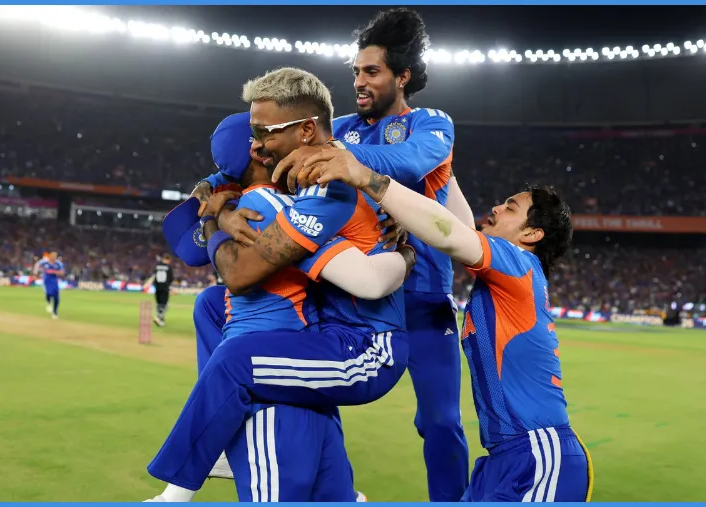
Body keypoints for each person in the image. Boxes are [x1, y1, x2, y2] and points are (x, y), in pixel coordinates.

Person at [298, 149, 594, 502]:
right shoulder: (511, 274)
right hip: (504, 458)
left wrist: (365, 177)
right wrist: (441, 168)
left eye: (510, 207)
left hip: (537, 455)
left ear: (531, 234)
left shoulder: (518, 263)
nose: (497, 208)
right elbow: (454, 227)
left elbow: (450, 233)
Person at [147, 109, 412, 501]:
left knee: (233, 357)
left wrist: (217, 217)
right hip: (332, 333)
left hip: (366, 346)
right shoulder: (273, 202)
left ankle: (181, 484)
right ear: (260, 151)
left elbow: (369, 281)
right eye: (267, 136)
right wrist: (220, 211)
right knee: (210, 305)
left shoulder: (287, 194)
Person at [269, 8, 473, 501]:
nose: (359, 81)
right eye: (356, 71)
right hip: (352, 293)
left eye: (372, 71)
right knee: (305, 391)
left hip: (422, 298)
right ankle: (335, 491)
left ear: (402, 76)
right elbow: (266, 147)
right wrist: (217, 182)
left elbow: (411, 161)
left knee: (441, 421)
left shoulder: (431, 124)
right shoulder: (337, 129)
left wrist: (343, 159)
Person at [144, 254, 174, 327]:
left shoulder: (157, 266)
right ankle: (159, 317)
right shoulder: (168, 267)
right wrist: (169, 286)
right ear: (168, 260)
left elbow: (154, 276)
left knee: (159, 303)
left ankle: (160, 319)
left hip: (157, 288)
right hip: (165, 288)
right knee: (164, 304)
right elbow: (171, 278)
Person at [33, 251, 64, 320]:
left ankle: (55, 312)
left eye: (55, 257)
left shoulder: (58, 263)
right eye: (52, 256)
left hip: (54, 281)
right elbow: (37, 265)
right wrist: (35, 274)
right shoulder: (44, 262)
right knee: (49, 293)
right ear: (50, 256)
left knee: (56, 297)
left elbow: (62, 273)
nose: (53, 258)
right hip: (46, 281)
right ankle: (48, 302)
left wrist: (54, 272)